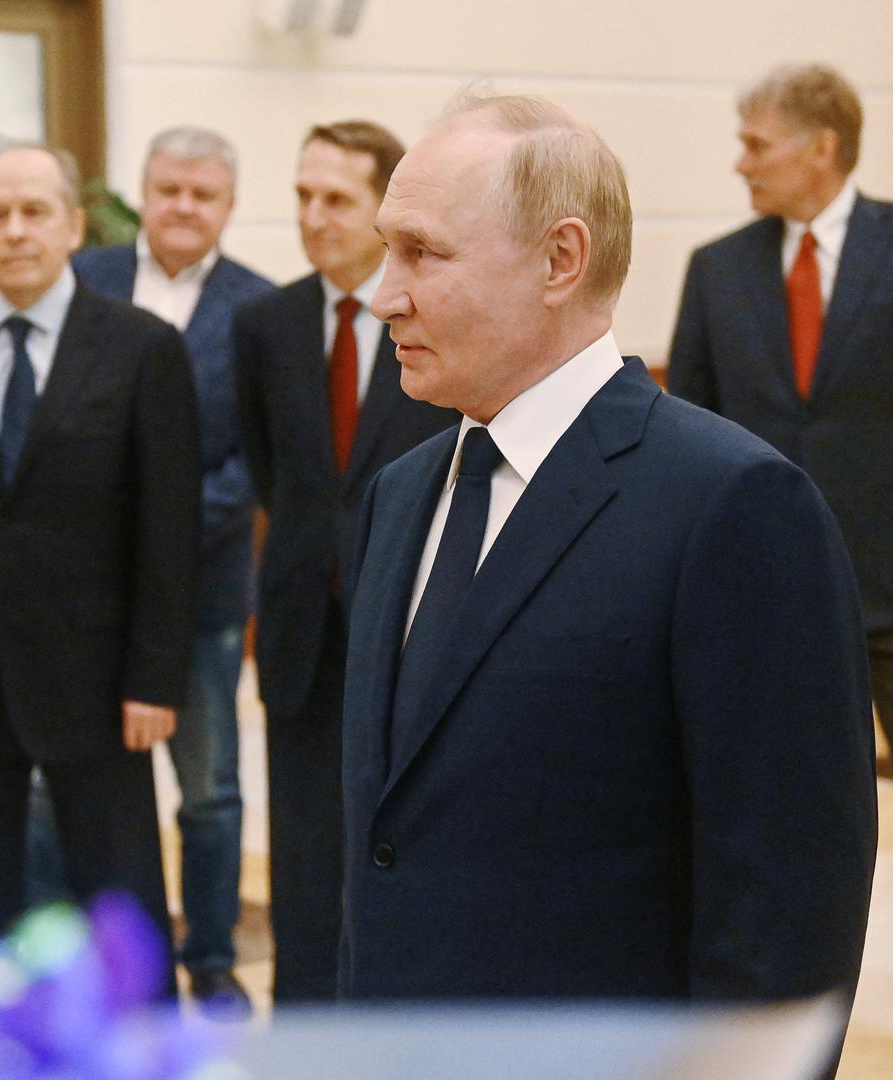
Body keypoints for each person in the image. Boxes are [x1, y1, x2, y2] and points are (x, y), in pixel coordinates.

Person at [343, 93, 876, 1020]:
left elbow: (785, 911)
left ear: (560, 259)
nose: (384, 292)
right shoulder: (401, 494)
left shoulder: (731, 505)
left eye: (421, 252)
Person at [0, 144, 201, 983]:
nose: (15, 231)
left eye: (34, 211)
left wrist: (155, 679)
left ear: (73, 226)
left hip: (99, 677)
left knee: (117, 891)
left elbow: (168, 531)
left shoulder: (140, 348)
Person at [16, 126, 271, 1017]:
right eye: (167, 190)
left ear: (228, 207)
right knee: (62, 783)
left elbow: (250, 464)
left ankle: (205, 958)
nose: (182, 208)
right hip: (77, 606)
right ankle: (70, 952)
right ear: (141, 192)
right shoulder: (79, 284)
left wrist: (146, 531)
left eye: (202, 195)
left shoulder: (257, 310)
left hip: (199, 598)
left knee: (208, 792)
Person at [234, 121, 455, 1002]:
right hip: (297, 631)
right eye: (301, 196)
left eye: (335, 199)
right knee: (302, 859)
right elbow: (273, 471)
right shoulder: (267, 324)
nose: (313, 216)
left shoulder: (434, 321)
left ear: (383, 211)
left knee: (397, 846)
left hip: (405, 625)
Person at [668, 63, 893, 755]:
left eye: (757, 145)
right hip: (760, 583)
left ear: (821, 148)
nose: (741, 163)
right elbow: (688, 425)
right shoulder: (716, 269)